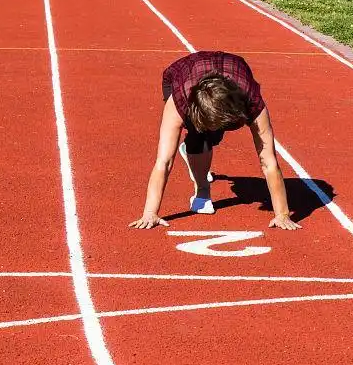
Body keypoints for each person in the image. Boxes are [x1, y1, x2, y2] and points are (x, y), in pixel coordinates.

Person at [128, 50, 301, 231]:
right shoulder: (179, 100)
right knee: (199, 137)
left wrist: (282, 214)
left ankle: (200, 144)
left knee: (211, 137)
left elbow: (269, 163)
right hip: (183, 72)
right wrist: (150, 212)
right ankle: (202, 188)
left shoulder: (252, 102)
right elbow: (164, 161)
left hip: (233, 76)